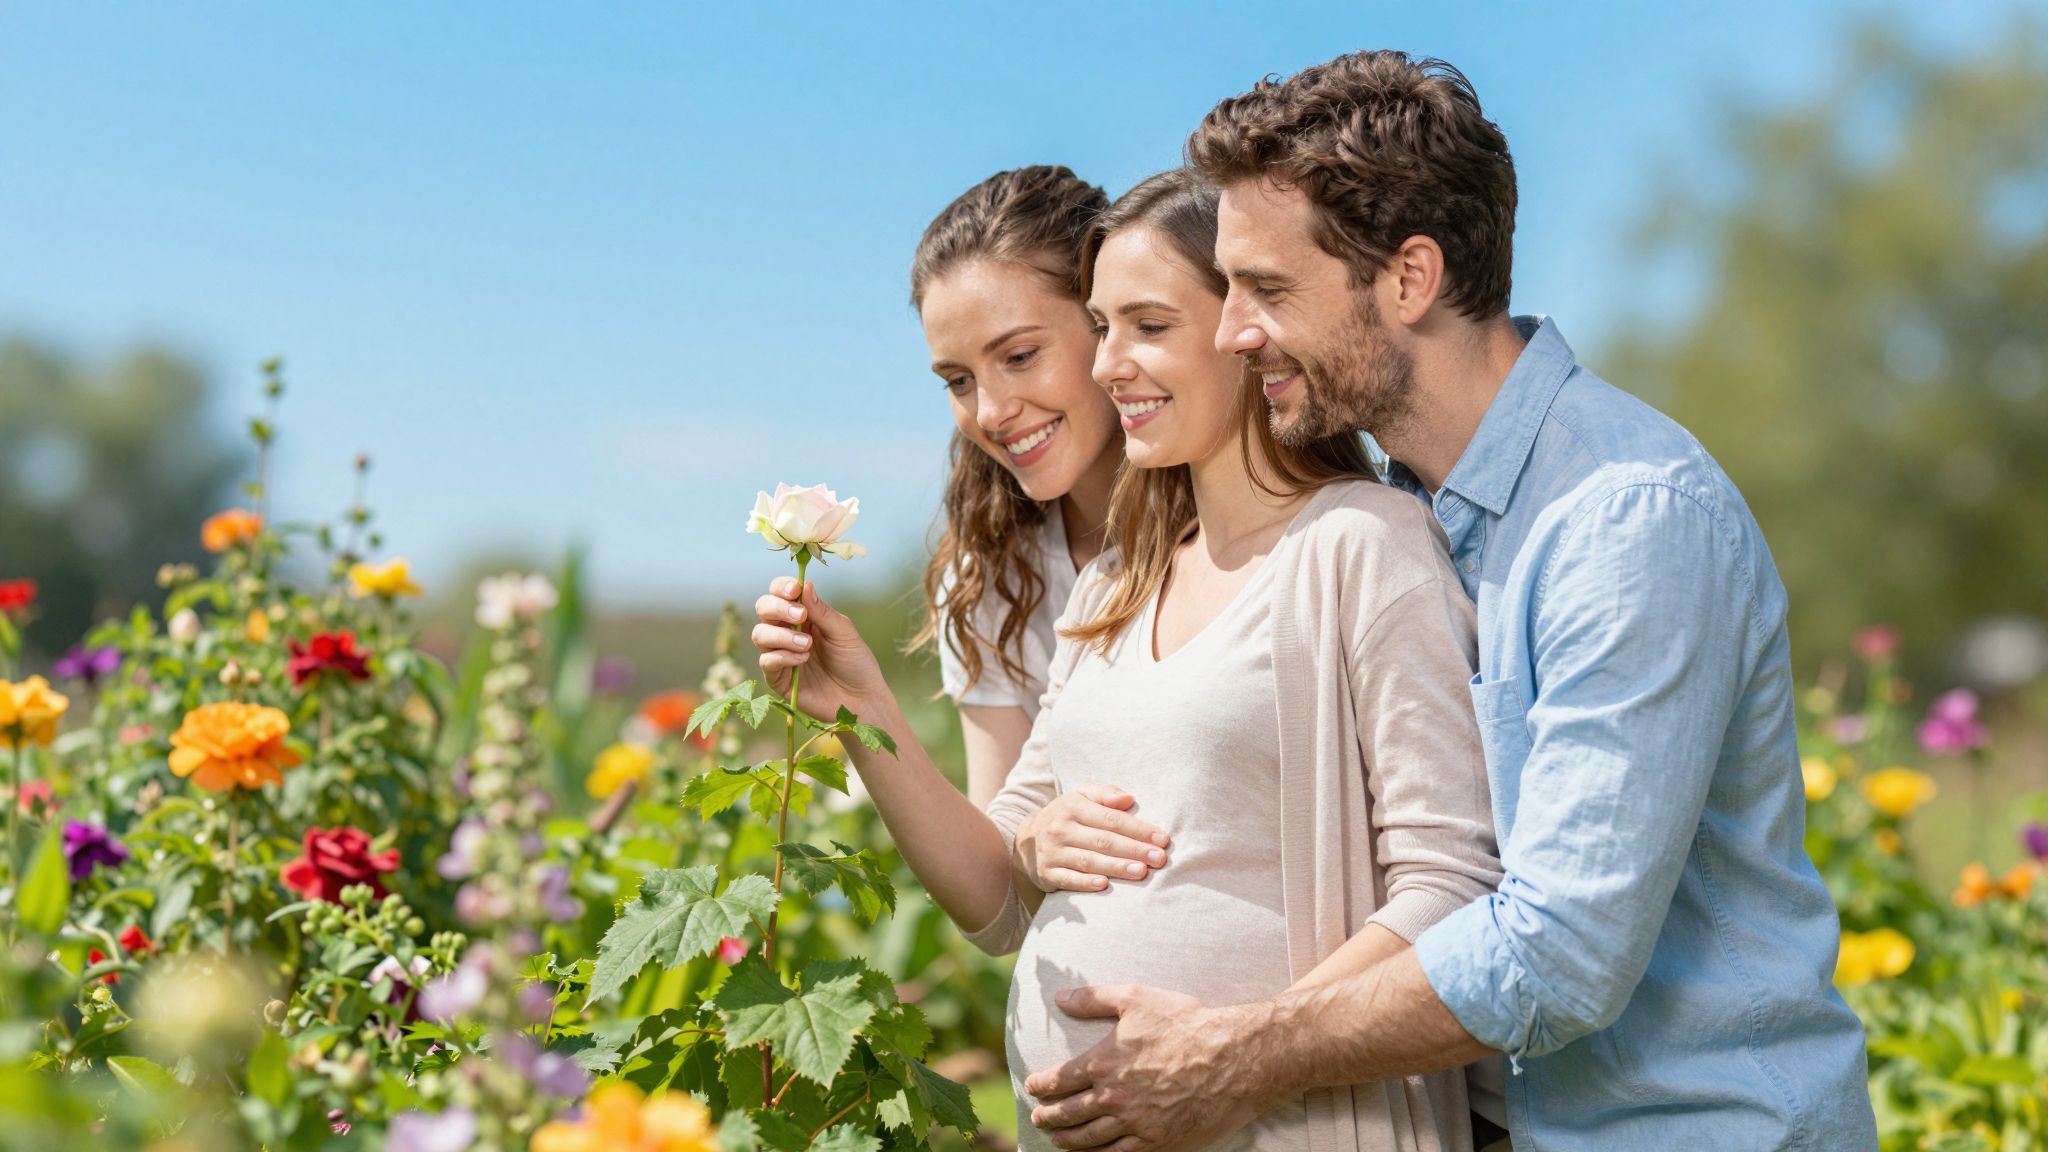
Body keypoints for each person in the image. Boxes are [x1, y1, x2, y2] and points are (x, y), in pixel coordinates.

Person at [1018, 51, 1878, 1151]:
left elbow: (1559, 955)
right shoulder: (1411, 507)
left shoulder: (1622, 519)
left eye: (1267, 290)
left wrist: (1230, 1057)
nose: (1231, 332)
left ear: (1410, 279)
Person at [754, 169, 1502, 1149]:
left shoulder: (1359, 546)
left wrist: (1228, 1056)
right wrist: (861, 709)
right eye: (1105, 329)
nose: (1110, 365)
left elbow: (1450, 887)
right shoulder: (1114, 580)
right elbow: (997, 885)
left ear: (1246, 328)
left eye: (1142, 326)